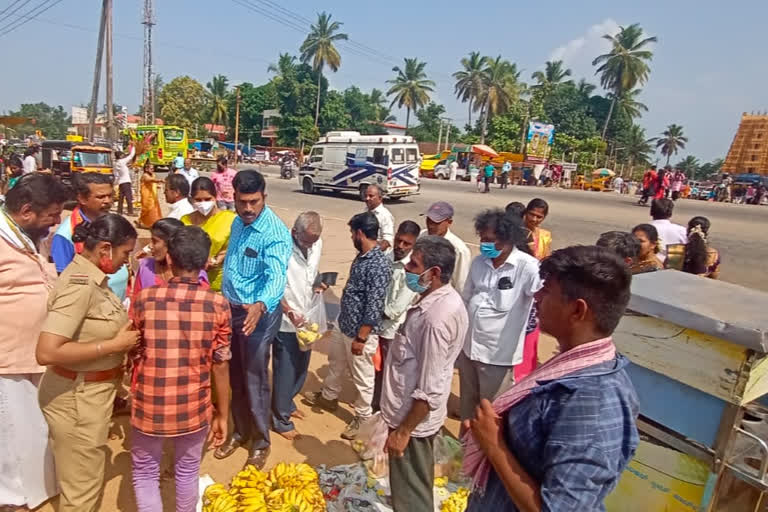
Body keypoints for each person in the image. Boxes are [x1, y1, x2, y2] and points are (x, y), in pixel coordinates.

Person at [464, 245, 639, 511]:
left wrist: (494, 445)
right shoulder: (569, 368)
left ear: (577, 311)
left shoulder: (592, 403)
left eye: (547, 290)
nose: (535, 295)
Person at [36, 214, 140, 512]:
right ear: (105, 248)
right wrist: (113, 346)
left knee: (83, 479)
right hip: (77, 397)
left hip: (89, 393)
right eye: (124, 253)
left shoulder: (92, 277)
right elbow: (47, 351)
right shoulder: (81, 285)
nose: (126, 261)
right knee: (81, 494)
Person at [130, 226, 232, 512]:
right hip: (193, 405)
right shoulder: (218, 305)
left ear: (170, 261)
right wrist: (222, 412)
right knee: (187, 471)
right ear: (204, 264)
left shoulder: (144, 299)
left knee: (145, 473)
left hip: (149, 402)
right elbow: (220, 364)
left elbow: (133, 346)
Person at [382, 236, 469, 512]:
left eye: (414, 264)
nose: (407, 268)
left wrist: (403, 431)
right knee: (410, 483)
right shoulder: (440, 300)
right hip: (409, 416)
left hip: (414, 423)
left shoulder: (435, 320)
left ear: (434, 274)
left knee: (412, 495)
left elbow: (429, 387)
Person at [0, 174, 68, 510]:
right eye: (52, 215)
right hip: (7, 357)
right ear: (26, 211)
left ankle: (37, 490)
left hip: (35, 354)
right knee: (14, 434)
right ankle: (14, 500)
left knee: (35, 429)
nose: (57, 221)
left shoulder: (23, 236)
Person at [217, 170, 292, 468]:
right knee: (233, 372)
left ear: (264, 198)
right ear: (233, 198)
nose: (248, 209)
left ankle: (261, 442)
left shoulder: (275, 234)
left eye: (254, 202)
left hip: (258, 313)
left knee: (254, 375)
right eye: (242, 202)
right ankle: (240, 431)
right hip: (232, 310)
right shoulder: (238, 222)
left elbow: (276, 276)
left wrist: (261, 304)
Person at [304, 212, 392, 440]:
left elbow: (374, 304)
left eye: (352, 233)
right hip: (345, 323)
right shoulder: (362, 256)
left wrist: (362, 338)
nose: (351, 236)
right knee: (336, 363)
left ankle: (363, 419)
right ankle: (329, 396)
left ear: (360, 233)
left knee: (363, 377)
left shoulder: (378, 264)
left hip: (360, 332)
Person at [459, 209, 541, 422]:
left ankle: (486, 454)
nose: (485, 244)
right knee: (468, 405)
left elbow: (543, 297)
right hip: (469, 350)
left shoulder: (527, 267)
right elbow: (466, 297)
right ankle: (466, 448)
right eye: (482, 239)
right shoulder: (479, 262)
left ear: (507, 240)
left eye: (490, 240)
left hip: (497, 356)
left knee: (492, 413)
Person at [272, 211, 324, 441]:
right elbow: (274, 284)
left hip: (307, 316)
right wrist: (288, 310)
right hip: (286, 319)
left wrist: (318, 284)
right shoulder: (281, 248)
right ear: (295, 233)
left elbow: (312, 272)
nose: (310, 246)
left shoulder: (316, 242)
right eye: (306, 241)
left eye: (313, 241)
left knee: (302, 366)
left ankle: (288, 401)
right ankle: (281, 420)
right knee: (286, 368)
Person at [51, 172, 131, 301]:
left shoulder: (113, 223)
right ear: (82, 198)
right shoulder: (65, 234)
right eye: (101, 197)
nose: (108, 201)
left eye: (110, 196)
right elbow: (64, 280)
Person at [372, 220, 420, 412]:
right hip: (376, 326)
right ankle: (375, 402)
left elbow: (397, 307)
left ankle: (383, 408)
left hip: (392, 330)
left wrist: (372, 315)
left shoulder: (413, 268)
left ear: (414, 244)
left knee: (390, 373)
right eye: (399, 241)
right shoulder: (385, 257)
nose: (400, 246)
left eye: (406, 243)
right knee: (375, 369)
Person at [181, 177, 236, 292]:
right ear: (192, 200)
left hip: (219, 282)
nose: (203, 203)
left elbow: (235, 246)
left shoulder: (230, 219)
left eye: (207, 199)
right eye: (198, 200)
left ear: (215, 197)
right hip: (190, 281)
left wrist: (218, 259)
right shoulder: (185, 221)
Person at [132, 218, 209, 298]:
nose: (150, 246)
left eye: (155, 241)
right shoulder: (146, 268)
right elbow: (135, 302)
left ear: (170, 244)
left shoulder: (196, 275)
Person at [422, 201, 472, 292]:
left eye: (436, 222)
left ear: (449, 222)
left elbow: (461, 283)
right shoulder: (422, 236)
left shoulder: (458, 249)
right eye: (428, 220)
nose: (430, 225)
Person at [364, 184, 394, 253]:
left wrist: (373, 254)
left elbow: (387, 241)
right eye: (366, 196)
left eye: (371, 196)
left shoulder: (385, 215)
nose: (367, 198)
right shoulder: (365, 211)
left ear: (380, 198)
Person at [137, 161, 164, 229]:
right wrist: (159, 180)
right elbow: (149, 180)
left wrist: (157, 185)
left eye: (153, 168)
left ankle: (154, 223)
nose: (153, 170)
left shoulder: (153, 175)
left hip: (153, 196)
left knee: (154, 210)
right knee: (146, 210)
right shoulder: (145, 175)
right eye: (151, 168)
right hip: (146, 197)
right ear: (146, 169)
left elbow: (152, 183)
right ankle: (142, 223)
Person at [114, 144, 136, 216]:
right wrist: (133, 147)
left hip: (121, 182)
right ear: (120, 156)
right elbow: (131, 156)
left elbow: (116, 175)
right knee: (129, 197)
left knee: (121, 198)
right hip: (126, 182)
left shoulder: (117, 163)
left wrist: (115, 183)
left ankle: (119, 211)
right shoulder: (122, 161)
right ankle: (130, 212)